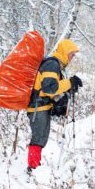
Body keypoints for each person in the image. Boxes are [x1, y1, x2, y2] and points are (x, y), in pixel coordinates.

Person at [26, 39, 83, 171]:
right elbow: (49, 88)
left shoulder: (57, 65)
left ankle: (35, 167)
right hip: (37, 108)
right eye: (72, 54)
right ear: (65, 51)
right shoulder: (52, 64)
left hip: (42, 107)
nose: (72, 57)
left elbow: (53, 91)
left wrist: (66, 92)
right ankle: (32, 169)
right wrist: (69, 83)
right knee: (38, 139)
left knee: (41, 139)